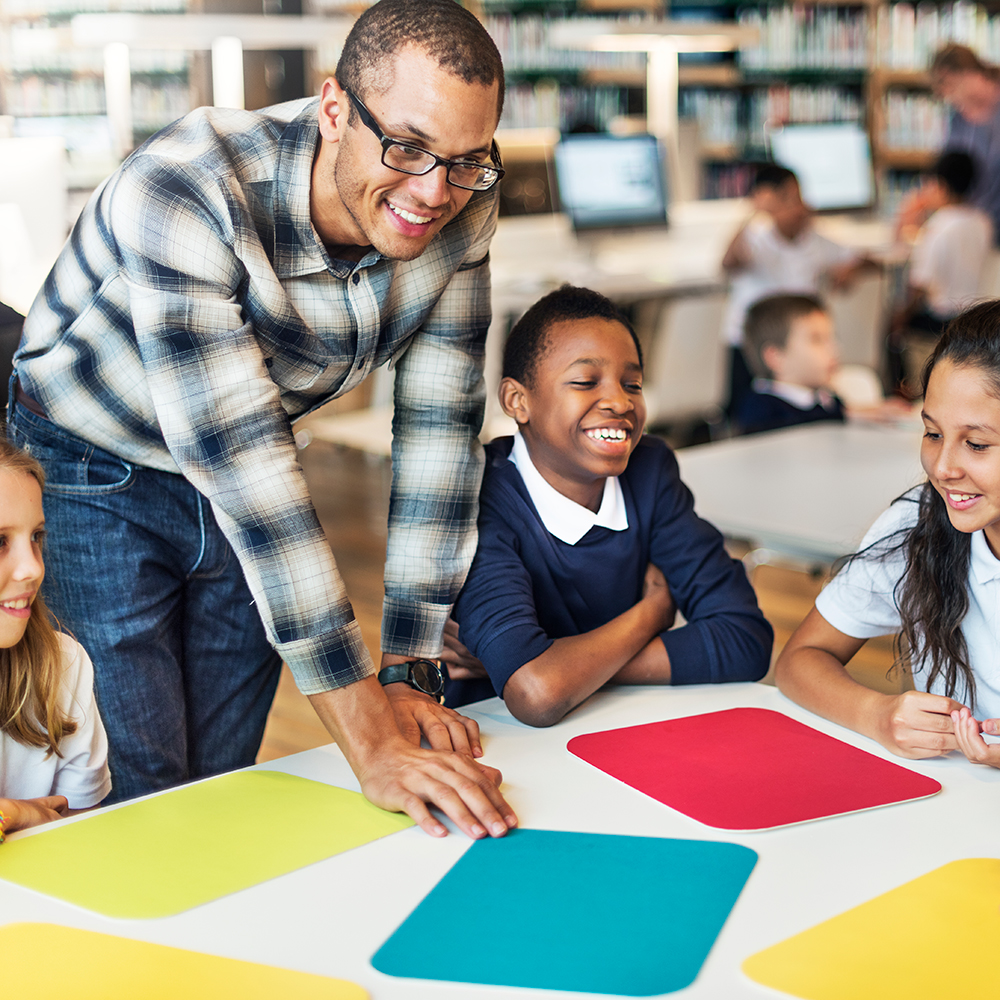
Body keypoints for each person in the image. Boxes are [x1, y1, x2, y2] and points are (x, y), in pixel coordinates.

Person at [8, 0, 517, 840]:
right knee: (145, 799)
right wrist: (372, 744)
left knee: (221, 781)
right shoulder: (187, 184)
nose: (434, 193)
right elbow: (251, 479)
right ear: (333, 109)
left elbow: (439, 436)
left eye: (465, 162)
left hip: (245, 457)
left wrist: (408, 674)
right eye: (407, 148)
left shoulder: (463, 201)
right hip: (89, 464)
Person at [447, 285, 773, 725]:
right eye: (585, 382)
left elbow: (746, 640)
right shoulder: (481, 496)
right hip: (494, 741)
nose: (620, 402)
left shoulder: (650, 471)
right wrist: (651, 614)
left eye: (633, 384)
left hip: (616, 725)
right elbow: (537, 693)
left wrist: (570, 668)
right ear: (517, 401)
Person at [774, 299, 1000, 770]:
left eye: (976, 444)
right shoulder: (917, 523)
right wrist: (877, 714)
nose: (942, 468)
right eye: (933, 434)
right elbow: (801, 660)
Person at [0, 439, 111, 841]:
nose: (32, 568)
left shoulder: (63, 664)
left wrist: (17, 814)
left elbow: (83, 836)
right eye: (0, 542)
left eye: (36, 537)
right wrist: (18, 814)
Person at [721, 164, 865, 415]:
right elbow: (728, 262)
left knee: (806, 409)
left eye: (797, 198)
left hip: (799, 347)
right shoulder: (756, 237)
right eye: (787, 200)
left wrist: (850, 271)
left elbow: (859, 256)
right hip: (755, 344)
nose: (798, 206)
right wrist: (753, 212)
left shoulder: (813, 239)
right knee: (754, 412)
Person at [899, 44, 1000, 245]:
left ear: (968, 74)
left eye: (946, 85)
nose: (946, 95)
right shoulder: (958, 120)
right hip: (975, 231)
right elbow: (949, 174)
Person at [893, 151, 993, 340]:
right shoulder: (983, 222)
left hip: (939, 321)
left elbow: (919, 285)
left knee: (893, 325)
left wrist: (901, 317)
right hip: (973, 319)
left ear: (941, 186)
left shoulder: (938, 225)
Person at [737, 294, 846, 436]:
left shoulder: (826, 398)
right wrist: (845, 416)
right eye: (817, 340)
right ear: (776, 357)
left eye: (831, 338)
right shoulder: (760, 407)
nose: (834, 349)